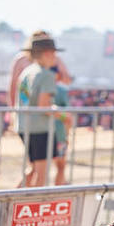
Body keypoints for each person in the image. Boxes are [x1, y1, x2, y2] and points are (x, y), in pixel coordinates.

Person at [16, 32, 64, 187]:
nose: (55, 57)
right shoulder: (46, 75)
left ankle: (11, 200)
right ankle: (33, 205)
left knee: (33, 169)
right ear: (47, 53)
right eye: (54, 53)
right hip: (40, 129)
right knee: (41, 175)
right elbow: (44, 106)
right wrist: (61, 114)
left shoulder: (27, 72)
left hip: (24, 126)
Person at [50, 65, 72, 185]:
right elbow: (67, 116)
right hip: (59, 133)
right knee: (61, 165)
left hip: (40, 131)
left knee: (35, 168)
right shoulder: (61, 90)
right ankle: (57, 190)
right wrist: (67, 134)